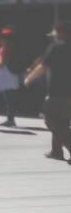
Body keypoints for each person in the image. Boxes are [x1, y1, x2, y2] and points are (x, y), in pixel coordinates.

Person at [24, 20, 71, 163]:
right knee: (62, 121)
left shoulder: (56, 48)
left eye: (56, 32)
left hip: (57, 92)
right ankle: (56, 151)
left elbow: (43, 67)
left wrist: (29, 79)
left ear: (62, 32)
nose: (54, 35)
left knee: (50, 120)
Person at [0, 27, 20, 128]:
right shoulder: (13, 47)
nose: (0, 39)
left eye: (2, 37)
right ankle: (11, 120)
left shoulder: (5, 48)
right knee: (9, 98)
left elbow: (2, 62)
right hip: (10, 75)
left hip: (2, 74)